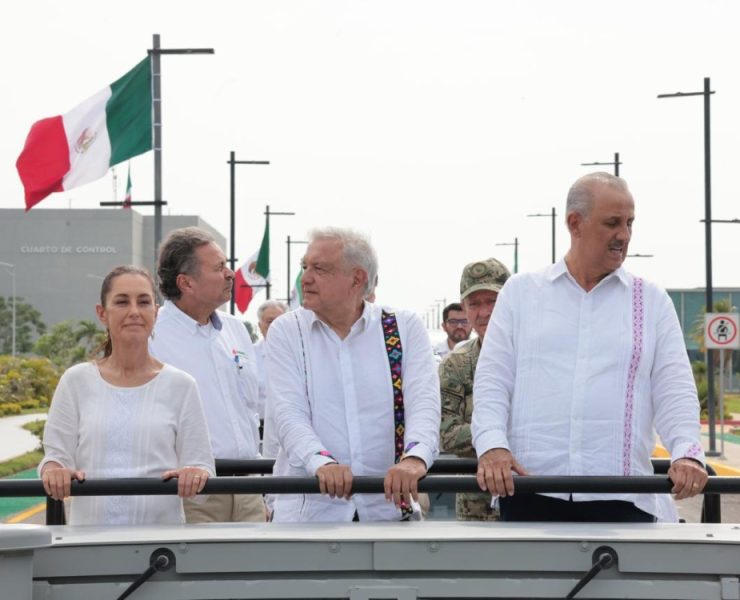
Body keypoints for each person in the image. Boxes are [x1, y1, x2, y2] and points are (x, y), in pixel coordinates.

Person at [472, 172, 708, 523]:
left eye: (629, 223)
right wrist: (492, 446)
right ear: (574, 223)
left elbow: (674, 389)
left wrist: (688, 453)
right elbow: (493, 382)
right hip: (529, 495)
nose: (624, 235)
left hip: (624, 499)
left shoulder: (651, 301)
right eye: (612, 223)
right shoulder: (521, 294)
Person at [267, 226, 440, 522]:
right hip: (310, 515)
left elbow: (424, 405)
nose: (305, 278)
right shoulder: (286, 330)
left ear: (357, 279)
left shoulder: (403, 328)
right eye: (304, 267)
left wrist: (415, 458)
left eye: (319, 269)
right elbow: (288, 413)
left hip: (387, 514)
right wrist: (320, 462)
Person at [39, 266, 214, 525]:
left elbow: (202, 468)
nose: (134, 311)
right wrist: (53, 471)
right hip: (89, 547)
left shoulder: (181, 385)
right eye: (122, 302)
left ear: (155, 311)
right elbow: (55, 458)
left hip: (160, 551)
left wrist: (196, 476)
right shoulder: (75, 381)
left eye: (143, 302)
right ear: (102, 313)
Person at [150, 227, 265, 523]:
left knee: (257, 569)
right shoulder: (152, 336)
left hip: (249, 488)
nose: (230, 274)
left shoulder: (236, 330)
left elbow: (256, 407)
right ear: (186, 282)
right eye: (219, 267)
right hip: (192, 492)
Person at [440, 257, 510, 520]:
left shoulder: (538, 358)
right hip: (477, 506)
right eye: (475, 304)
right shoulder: (456, 364)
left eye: (493, 301)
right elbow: (446, 433)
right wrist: (499, 434)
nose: (485, 312)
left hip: (535, 495)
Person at [254, 300, 288, 459]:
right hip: (258, 427)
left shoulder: (300, 353)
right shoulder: (250, 354)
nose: (275, 326)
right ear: (260, 326)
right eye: (269, 321)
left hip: (290, 427)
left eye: (280, 321)